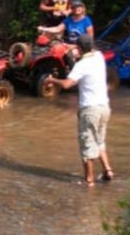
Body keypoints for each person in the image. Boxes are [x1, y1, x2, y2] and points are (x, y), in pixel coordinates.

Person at [43, 34, 114, 187]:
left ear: (80, 48)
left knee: (87, 144)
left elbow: (67, 84)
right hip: (104, 107)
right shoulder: (99, 56)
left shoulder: (82, 65)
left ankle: (89, 181)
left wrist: (51, 80)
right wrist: (71, 47)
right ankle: (108, 170)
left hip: (90, 109)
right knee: (99, 140)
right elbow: (86, 49)